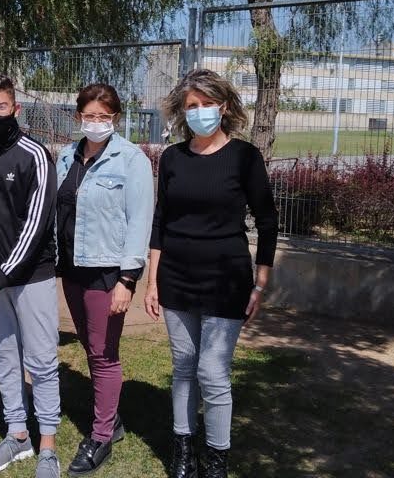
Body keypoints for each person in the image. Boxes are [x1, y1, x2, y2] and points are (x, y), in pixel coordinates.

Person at [143, 69, 278, 478]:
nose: (199, 111)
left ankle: (217, 459)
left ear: (224, 107)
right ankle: (184, 450)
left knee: (213, 372)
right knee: (184, 366)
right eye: (192, 105)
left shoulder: (244, 157)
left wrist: (260, 283)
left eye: (207, 103)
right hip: (176, 276)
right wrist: (152, 281)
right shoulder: (172, 158)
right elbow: (160, 221)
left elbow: (267, 221)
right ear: (182, 112)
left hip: (226, 278)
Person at [0, 74, 61, 478]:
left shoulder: (36, 154)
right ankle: (17, 434)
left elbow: (37, 227)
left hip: (31, 276)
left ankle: (48, 446)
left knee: (41, 361)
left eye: (2, 107)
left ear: (16, 108)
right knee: (2, 359)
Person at [54, 83, 154, 476]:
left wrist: (128, 280)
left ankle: (100, 436)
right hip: (72, 267)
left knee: (103, 353)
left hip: (107, 272)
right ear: (78, 116)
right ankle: (111, 419)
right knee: (89, 345)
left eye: (104, 116)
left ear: (116, 118)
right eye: (90, 115)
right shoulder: (67, 155)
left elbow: (140, 221)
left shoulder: (131, 160)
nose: (96, 122)